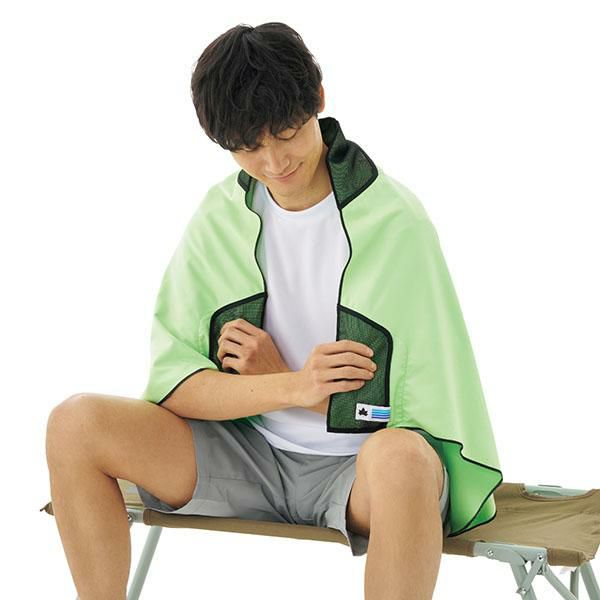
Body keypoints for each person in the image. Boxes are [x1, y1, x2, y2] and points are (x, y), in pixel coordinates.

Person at [46, 22, 494, 600]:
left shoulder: (394, 222)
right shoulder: (221, 217)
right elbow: (175, 387)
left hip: (359, 474)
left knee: (404, 459)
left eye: (286, 133)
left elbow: (420, 410)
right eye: (248, 147)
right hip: (245, 454)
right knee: (75, 423)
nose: (275, 161)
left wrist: (291, 386)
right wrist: (290, 385)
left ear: (319, 101)